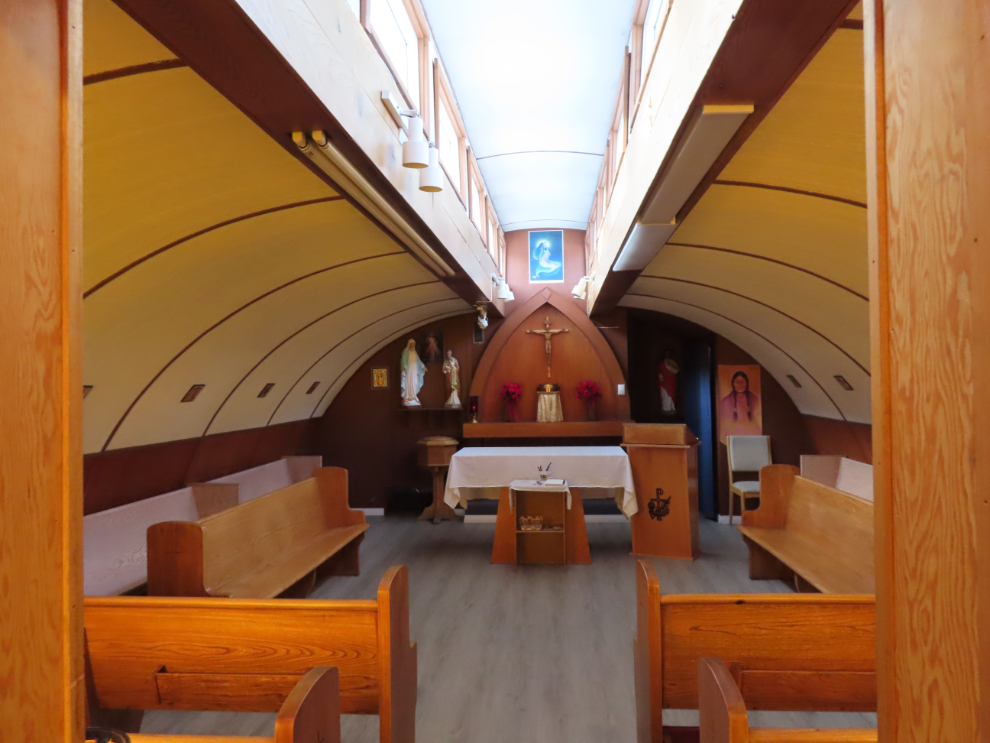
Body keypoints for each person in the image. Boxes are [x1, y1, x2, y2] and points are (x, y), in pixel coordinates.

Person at [719, 370, 761, 435]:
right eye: (737, 382)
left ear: (747, 383)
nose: (739, 384)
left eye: (742, 382)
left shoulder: (754, 399)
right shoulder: (726, 401)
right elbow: (725, 423)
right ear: (732, 383)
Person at [400, 339, 427, 406]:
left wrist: (423, 366)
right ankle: (408, 396)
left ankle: (413, 396)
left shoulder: (414, 352)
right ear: (409, 344)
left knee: (414, 382)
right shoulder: (406, 351)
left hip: (414, 369)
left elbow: (418, 361)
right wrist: (405, 366)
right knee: (409, 382)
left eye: (413, 344)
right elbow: (403, 360)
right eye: (411, 344)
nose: (412, 345)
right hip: (408, 370)